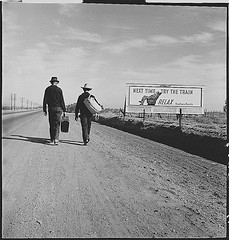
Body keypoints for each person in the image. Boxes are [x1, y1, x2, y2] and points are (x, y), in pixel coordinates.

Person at [43, 77, 66, 145]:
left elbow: (45, 100)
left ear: (51, 82)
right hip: (58, 109)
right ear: (57, 82)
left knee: (52, 124)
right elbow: (62, 100)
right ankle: (56, 139)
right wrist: (64, 109)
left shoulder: (47, 89)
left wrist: (44, 109)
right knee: (57, 124)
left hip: (51, 109)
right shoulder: (59, 90)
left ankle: (52, 139)